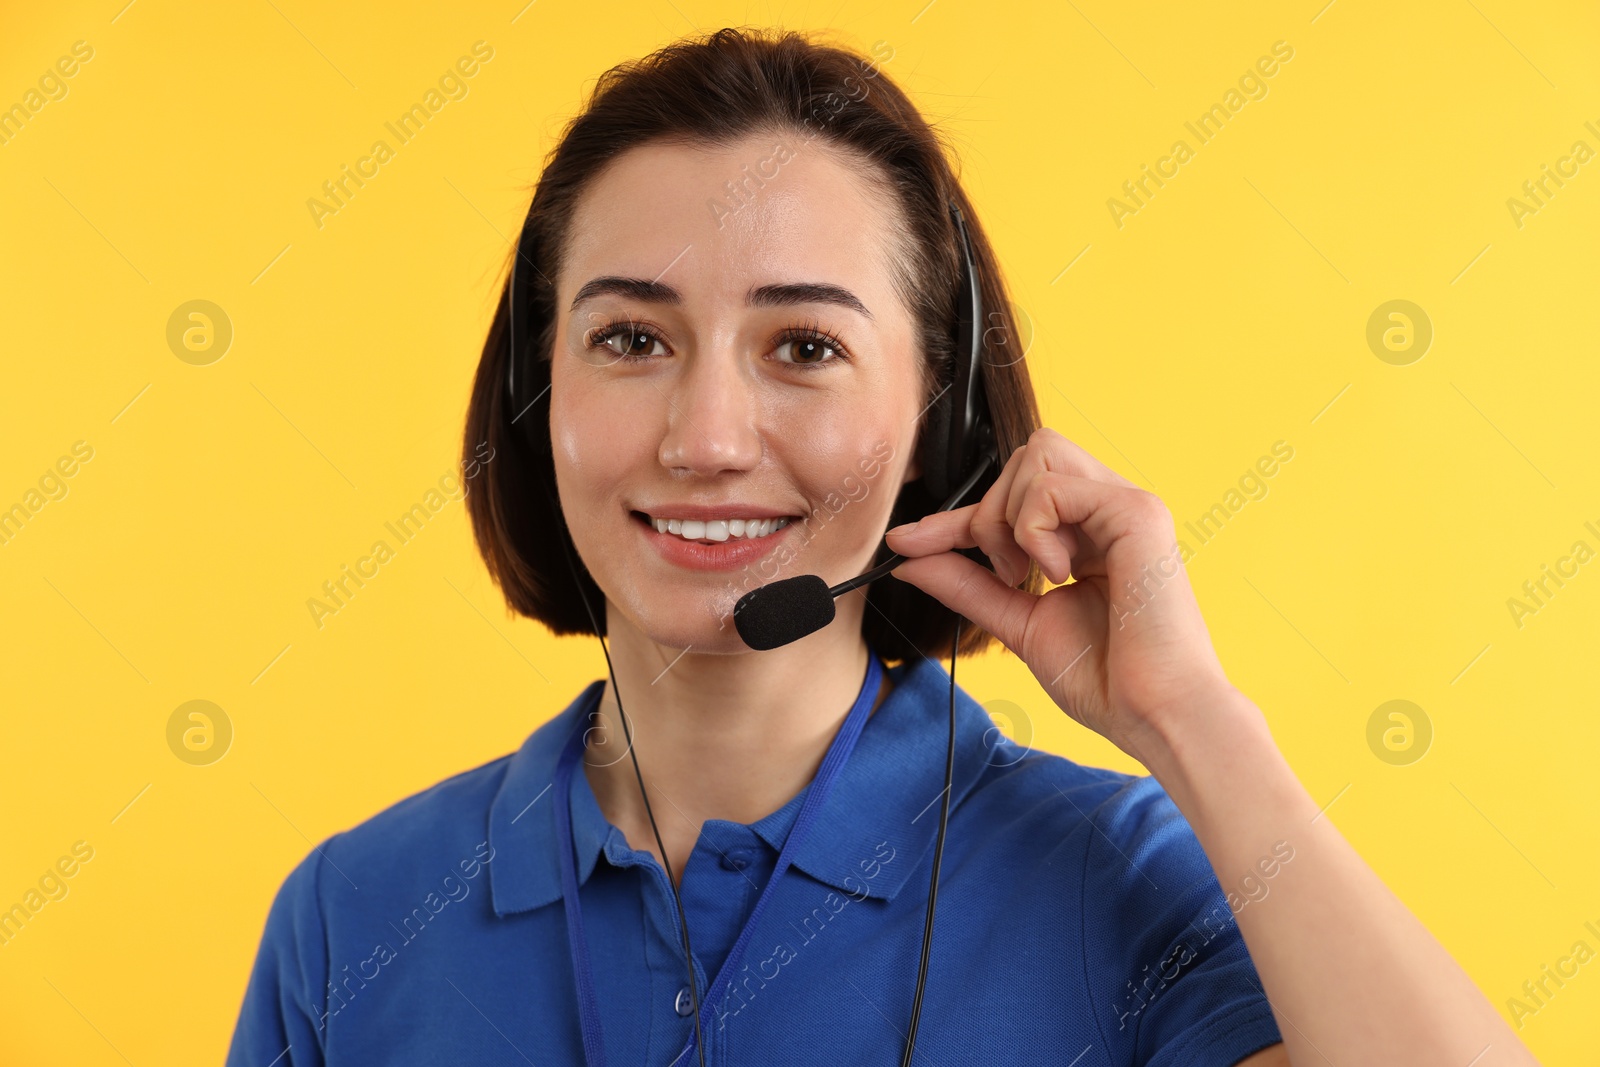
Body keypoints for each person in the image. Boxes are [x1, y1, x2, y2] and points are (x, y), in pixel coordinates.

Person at [226, 27, 1537, 1067]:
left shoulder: (1113, 884)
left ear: (936, 412)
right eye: (630, 338)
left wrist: (1190, 717)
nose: (707, 437)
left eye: (804, 347)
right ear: (541, 388)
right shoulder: (354, 917)